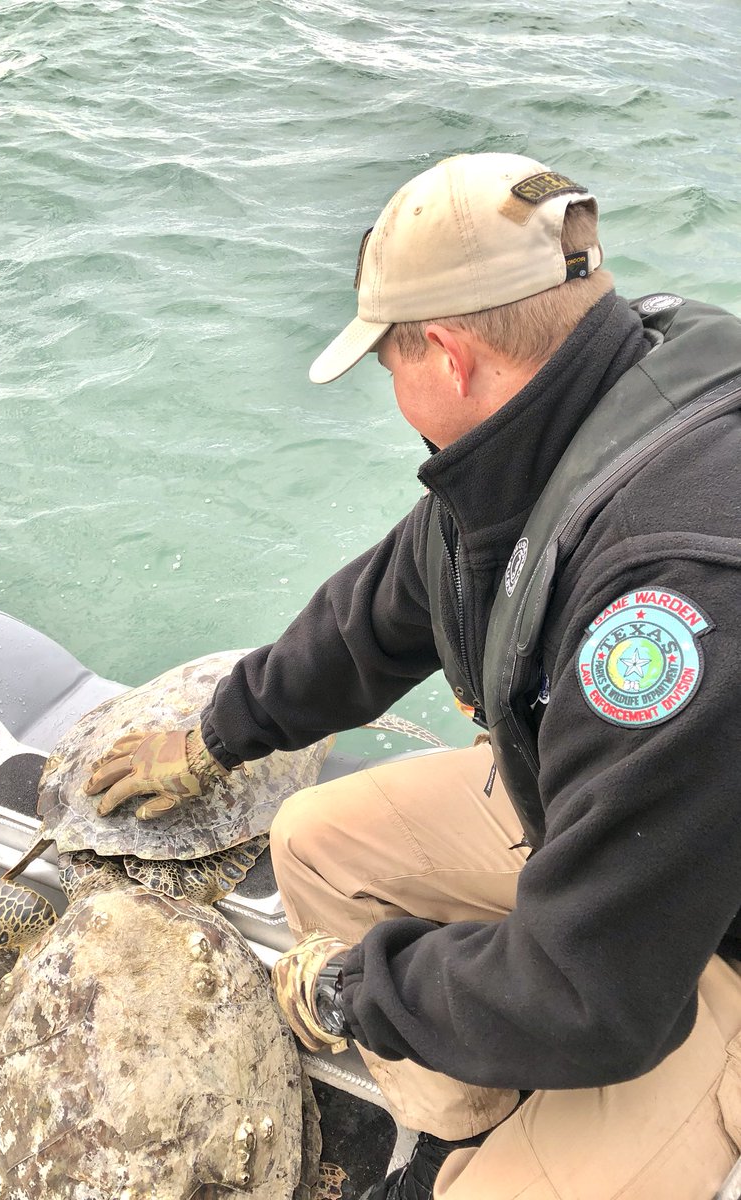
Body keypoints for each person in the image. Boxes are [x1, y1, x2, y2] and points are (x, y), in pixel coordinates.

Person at [84, 152, 741, 1200]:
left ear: (445, 351)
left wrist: (354, 992)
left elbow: (598, 992)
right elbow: (376, 617)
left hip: (696, 938)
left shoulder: (671, 600)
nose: (392, 392)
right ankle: (456, 1119)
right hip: (632, 849)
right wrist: (215, 735)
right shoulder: (561, 415)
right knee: (315, 842)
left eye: (387, 362)